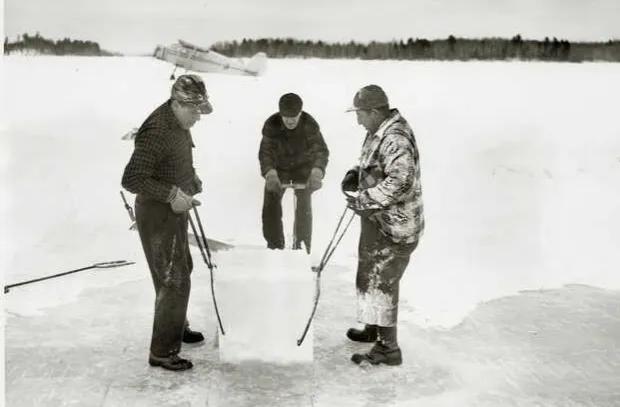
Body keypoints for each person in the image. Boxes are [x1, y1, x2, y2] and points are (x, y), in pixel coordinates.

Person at [121, 74, 213, 371]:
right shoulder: (157, 130)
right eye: (194, 111)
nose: (198, 117)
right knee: (172, 279)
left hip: (174, 207)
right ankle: (162, 351)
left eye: (201, 110)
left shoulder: (179, 122)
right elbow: (132, 179)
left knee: (181, 269)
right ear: (176, 103)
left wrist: (190, 179)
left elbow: (177, 158)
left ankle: (175, 326)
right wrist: (172, 193)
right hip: (156, 212)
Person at [342, 84, 424, 366]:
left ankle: (388, 348)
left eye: (361, 114)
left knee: (383, 282)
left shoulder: (396, 138)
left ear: (375, 111)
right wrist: (355, 173)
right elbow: (374, 164)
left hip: (395, 225)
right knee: (369, 273)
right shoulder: (377, 132)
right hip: (378, 221)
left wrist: (365, 199)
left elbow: (400, 181)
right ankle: (373, 328)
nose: (358, 120)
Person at [258, 93, 329, 252]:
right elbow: (265, 153)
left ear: (300, 113)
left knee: (304, 205)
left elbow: (320, 152)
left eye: (294, 117)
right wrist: (270, 174)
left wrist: (316, 172)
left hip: (303, 169)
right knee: (270, 204)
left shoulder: (309, 124)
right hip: (279, 170)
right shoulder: (272, 124)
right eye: (286, 117)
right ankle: (274, 246)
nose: (290, 121)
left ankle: (302, 246)